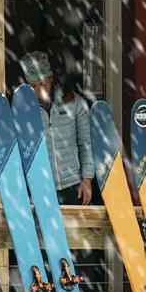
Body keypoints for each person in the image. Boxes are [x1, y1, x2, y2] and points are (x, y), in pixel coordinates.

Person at [19, 50, 96, 205]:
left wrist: (87, 180)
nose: (39, 91)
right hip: (40, 188)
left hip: (73, 186)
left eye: (42, 84)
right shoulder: (23, 111)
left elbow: (86, 143)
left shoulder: (74, 103)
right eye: (33, 86)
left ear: (51, 78)